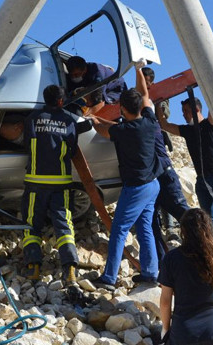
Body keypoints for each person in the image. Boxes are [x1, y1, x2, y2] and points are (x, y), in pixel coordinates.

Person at [88, 59, 160, 289]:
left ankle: (109, 277)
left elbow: (104, 130)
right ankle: (150, 273)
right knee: (145, 228)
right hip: (153, 184)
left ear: (122, 109)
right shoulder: (149, 120)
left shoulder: (122, 131)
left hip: (137, 187)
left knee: (119, 229)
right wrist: (139, 69)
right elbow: (145, 93)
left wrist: (93, 120)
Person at [20, 84, 91, 286]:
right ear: (61, 101)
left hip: (35, 181)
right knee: (63, 223)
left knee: (32, 224)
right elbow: (71, 149)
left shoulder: (33, 118)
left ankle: (33, 266)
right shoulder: (69, 121)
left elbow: (27, 143)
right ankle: (69, 267)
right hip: (60, 182)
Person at [159, 208, 213, 345]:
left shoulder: (171, 259)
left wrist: (165, 331)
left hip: (184, 333)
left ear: (183, 231)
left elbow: (165, 302)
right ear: (209, 229)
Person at [160, 97, 213, 252]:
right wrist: (158, 105)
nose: (184, 115)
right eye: (183, 112)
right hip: (202, 178)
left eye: (186, 111)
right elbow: (164, 125)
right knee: (207, 214)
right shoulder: (187, 130)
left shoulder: (209, 124)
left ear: (197, 109)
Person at [140, 67, 189, 265]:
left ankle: (198, 240)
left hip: (160, 166)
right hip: (151, 171)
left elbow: (163, 117)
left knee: (178, 209)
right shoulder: (140, 102)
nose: (148, 84)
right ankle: (161, 262)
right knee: (151, 218)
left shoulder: (155, 102)